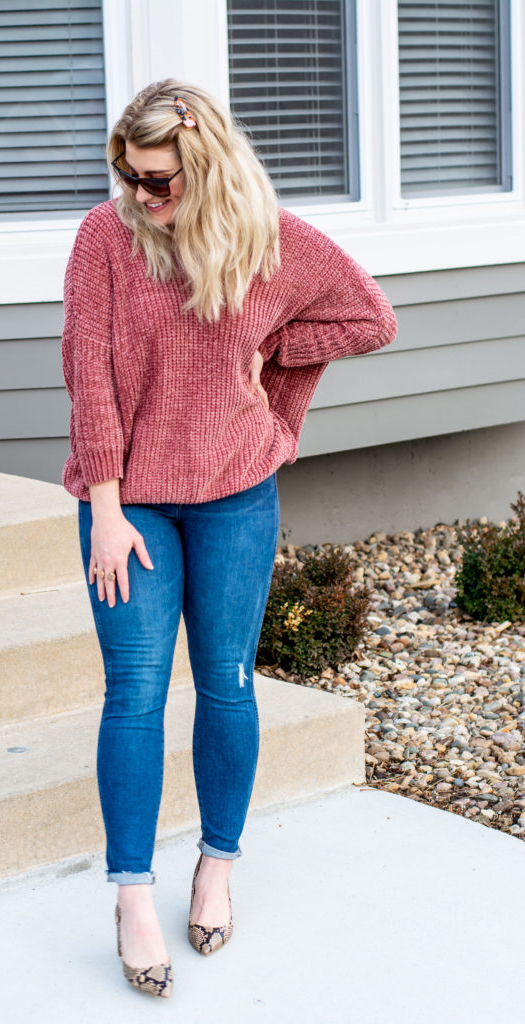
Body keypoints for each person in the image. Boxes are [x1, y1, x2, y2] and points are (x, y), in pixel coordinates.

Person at [61, 79, 397, 998]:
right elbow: (86, 373)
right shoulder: (105, 238)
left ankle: (217, 864)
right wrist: (104, 508)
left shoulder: (268, 241)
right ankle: (132, 896)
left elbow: (370, 316)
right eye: (129, 177)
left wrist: (274, 353)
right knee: (132, 691)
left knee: (228, 681)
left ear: (202, 169)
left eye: (159, 181)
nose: (141, 197)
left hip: (236, 496)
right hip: (129, 506)